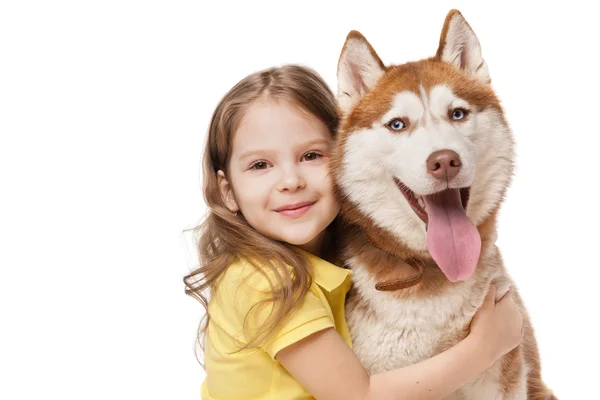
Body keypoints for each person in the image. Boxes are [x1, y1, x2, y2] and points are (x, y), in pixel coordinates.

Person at [184, 64, 524, 400]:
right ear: (227, 191)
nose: (291, 181)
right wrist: (484, 347)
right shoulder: (265, 282)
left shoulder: (323, 255)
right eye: (260, 165)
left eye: (311, 155)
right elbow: (359, 396)